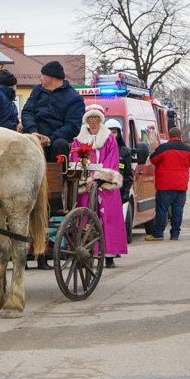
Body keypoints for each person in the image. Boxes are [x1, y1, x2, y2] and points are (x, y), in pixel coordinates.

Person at [70, 104, 127, 268]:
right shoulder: (78, 139)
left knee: (107, 218)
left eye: (96, 117)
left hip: (105, 186)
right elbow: (75, 161)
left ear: (100, 119)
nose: (93, 120)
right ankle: (85, 251)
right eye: (90, 117)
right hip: (85, 185)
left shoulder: (109, 138)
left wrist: (99, 180)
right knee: (85, 218)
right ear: (86, 119)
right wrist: (86, 181)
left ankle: (108, 255)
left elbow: (112, 160)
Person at [21, 60, 84, 164]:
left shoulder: (74, 98)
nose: (40, 78)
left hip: (55, 141)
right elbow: (27, 112)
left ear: (51, 77)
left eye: (43, 75)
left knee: (61, 144)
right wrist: (33, 132)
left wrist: (50, 139)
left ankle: (58, 178)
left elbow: (72, 126)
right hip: (34, 136)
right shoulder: (37, 90)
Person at [145, 126, 190, 241]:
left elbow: (153, 159)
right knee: (178, 210)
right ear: (180, 136)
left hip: (165, 185)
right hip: (181, 185)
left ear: (169, 136)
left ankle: (158, 234)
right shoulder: (188, 150)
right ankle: (175, 234)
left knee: (162, 209)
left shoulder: (164, 148)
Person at [104, 119, 134, 206]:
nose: (111, 135)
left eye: (114, 132)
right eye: (109, 132)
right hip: (103, 191)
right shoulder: (100, 149)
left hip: (118, 193)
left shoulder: (125, 152)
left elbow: (128, 174)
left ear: (118, 133)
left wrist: (126, 193)